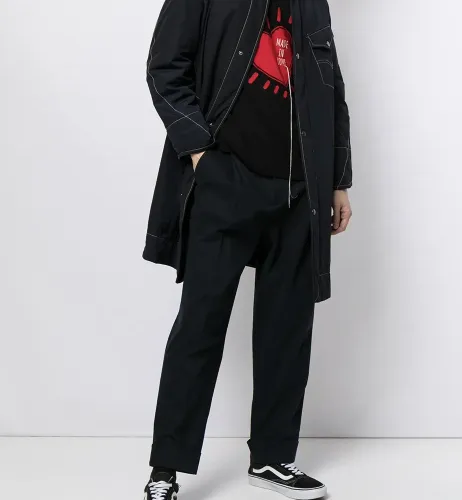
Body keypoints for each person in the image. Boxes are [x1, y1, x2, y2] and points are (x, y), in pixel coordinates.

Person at [142, 0, 352, 498]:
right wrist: (200, 154)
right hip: (225, 183)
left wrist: (338, 180)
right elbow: (164, 67)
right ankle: (165, 470)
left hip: (301, 191)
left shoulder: (312, 4)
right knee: (199, 326)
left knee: (287, 329)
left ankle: (273, 459)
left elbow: (332, 90)